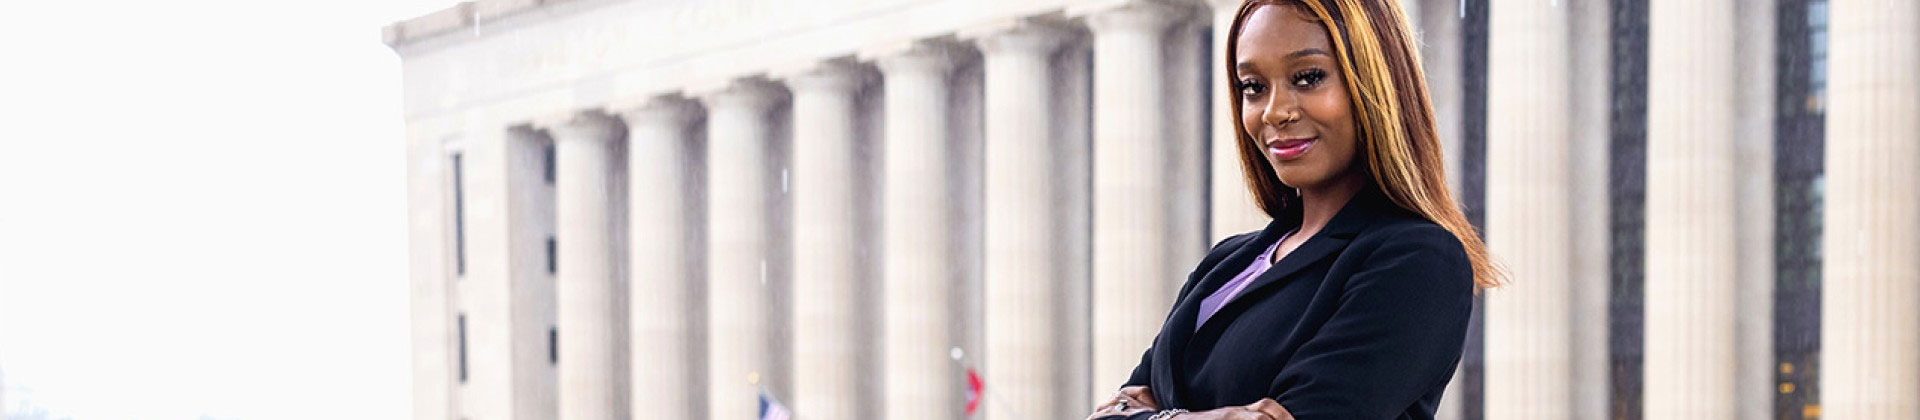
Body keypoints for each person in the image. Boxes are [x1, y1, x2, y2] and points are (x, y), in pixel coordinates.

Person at [1086, 1, 1501, 419]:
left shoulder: (1419, 259)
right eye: (1253, 86)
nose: (1275, 111)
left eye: (1307, 78)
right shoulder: (1227, 263)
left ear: (1376, 84)